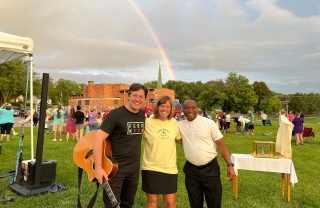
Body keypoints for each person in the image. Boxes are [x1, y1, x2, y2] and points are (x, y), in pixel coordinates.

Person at [93, 83, 148, 208]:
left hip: (134, 170)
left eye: (141, 97)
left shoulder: (141, 115)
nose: (137, 99)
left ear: (144, 99)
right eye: (135, 95)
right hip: (114, 169)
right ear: (128, 96)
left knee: (128, 203)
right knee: (112, 205)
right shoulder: (116, 115)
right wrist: (98, 168)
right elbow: (98, 139)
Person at [178, 100, 235, 208]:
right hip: (191, 171)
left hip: (210, 170)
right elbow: (176, 138)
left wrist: (230, 165)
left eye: (193, 107)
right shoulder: (180, 125)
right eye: (186, 108)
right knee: (195, 204)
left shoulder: (208, 123)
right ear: (182, 110)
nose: (190, 110)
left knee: (214, 203)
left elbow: (221, 145)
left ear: (197, 109)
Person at [142, 96, 182, 208]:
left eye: (167, 107)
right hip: (151, 168)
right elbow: (133, 139)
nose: (165, 109)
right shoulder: (147, 122)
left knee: (170, 203)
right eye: (162, 106)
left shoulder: (174, 122)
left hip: (170, 168)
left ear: (171, 109)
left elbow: (181, 139)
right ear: (157, 107)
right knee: (152, 203)